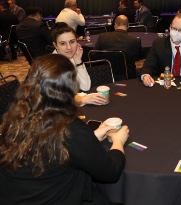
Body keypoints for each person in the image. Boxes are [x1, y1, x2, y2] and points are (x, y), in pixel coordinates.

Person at [0, 54, 129, 205]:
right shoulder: (69, 129)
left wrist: (91, 137)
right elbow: (111, 171)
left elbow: (52, 151)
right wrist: (118, 142)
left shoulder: (16, 117)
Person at [52, 22, 105, 106]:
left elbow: (85, 86)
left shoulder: (71, 58)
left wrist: (78, 61)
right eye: (63, 43)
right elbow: (58, 98)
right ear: (55, 45)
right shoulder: (52, 65)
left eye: (72, 42)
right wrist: (82, 99)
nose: (69, 47)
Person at [94, 15, 141, 79]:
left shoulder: (103, 37)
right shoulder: (135, 41)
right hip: (128, 76)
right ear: (128, 25)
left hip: (105, 75)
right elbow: (138, 57)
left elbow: (94, 54)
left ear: (115, 25)